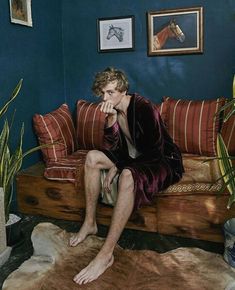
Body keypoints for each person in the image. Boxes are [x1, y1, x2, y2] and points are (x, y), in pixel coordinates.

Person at [69, 67, 184, 285]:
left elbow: (154, 151)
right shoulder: (113, 110)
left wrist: (120, 167)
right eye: (102, 93)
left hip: (162, 161)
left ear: (123, 90)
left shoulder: (143, 108)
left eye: (110, 92)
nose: (105, 98)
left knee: (128, 176)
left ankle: (105, 254)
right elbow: (112, 149)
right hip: (132, 159)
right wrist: (111, 120)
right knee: (92, 158)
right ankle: (90, 222)